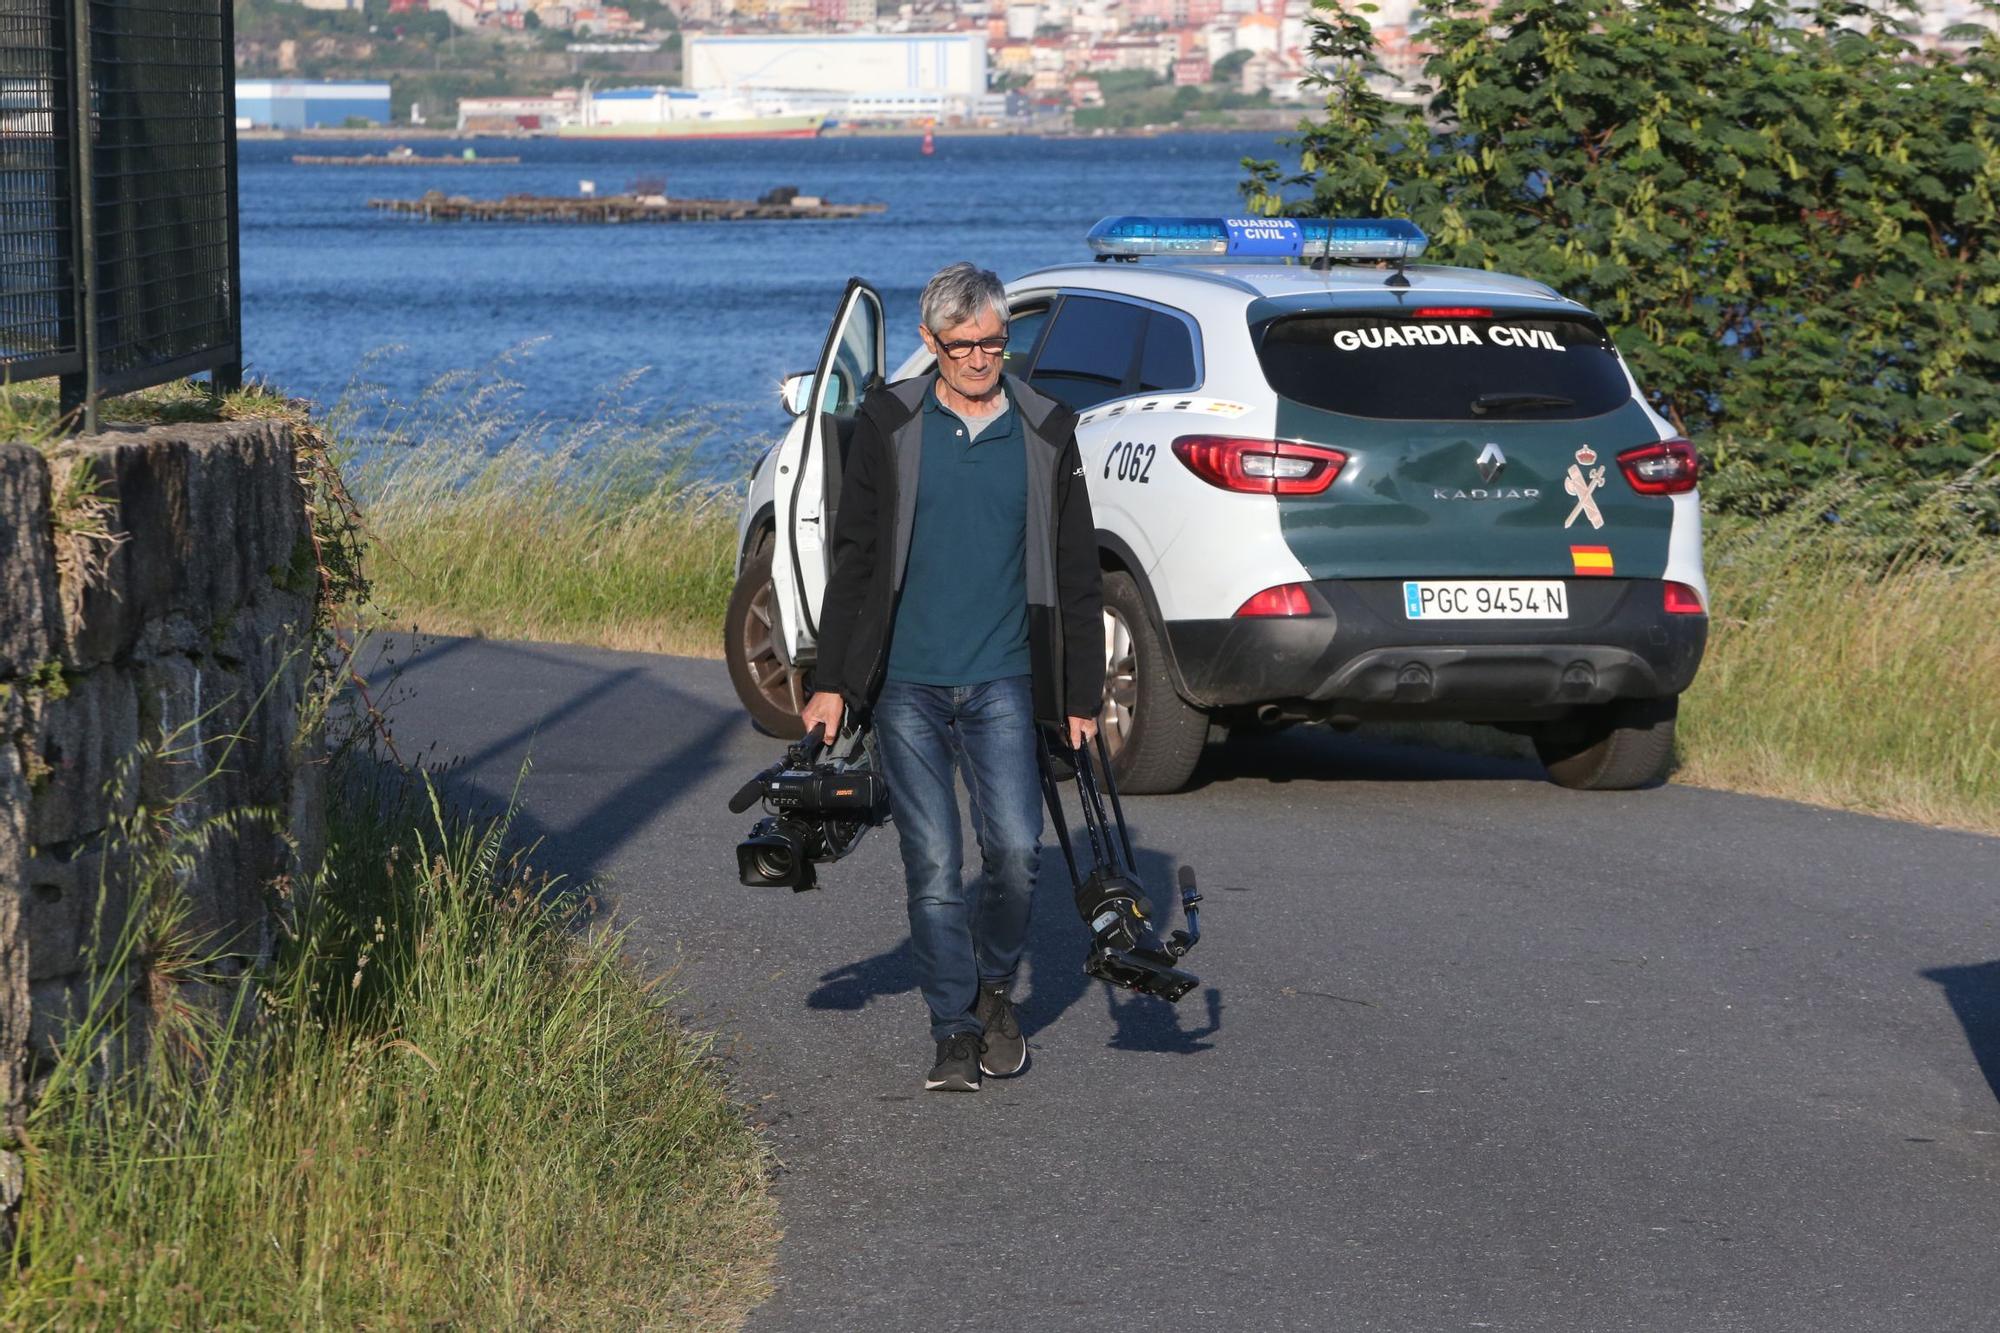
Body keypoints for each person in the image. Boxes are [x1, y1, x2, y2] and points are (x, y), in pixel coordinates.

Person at [801, 262, 1105, 1093]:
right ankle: (954, 1028)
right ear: (931, 343)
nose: (980, 358)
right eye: (962, 344)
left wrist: (1082, 695)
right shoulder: (889, 423)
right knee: (934, 859)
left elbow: (1077, 571)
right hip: (905, 681)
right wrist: (833, 679)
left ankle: (995, 988)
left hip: (1008, 675)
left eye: (994, 342)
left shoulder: (1046, 430)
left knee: (1014, 850)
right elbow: (856, 561)